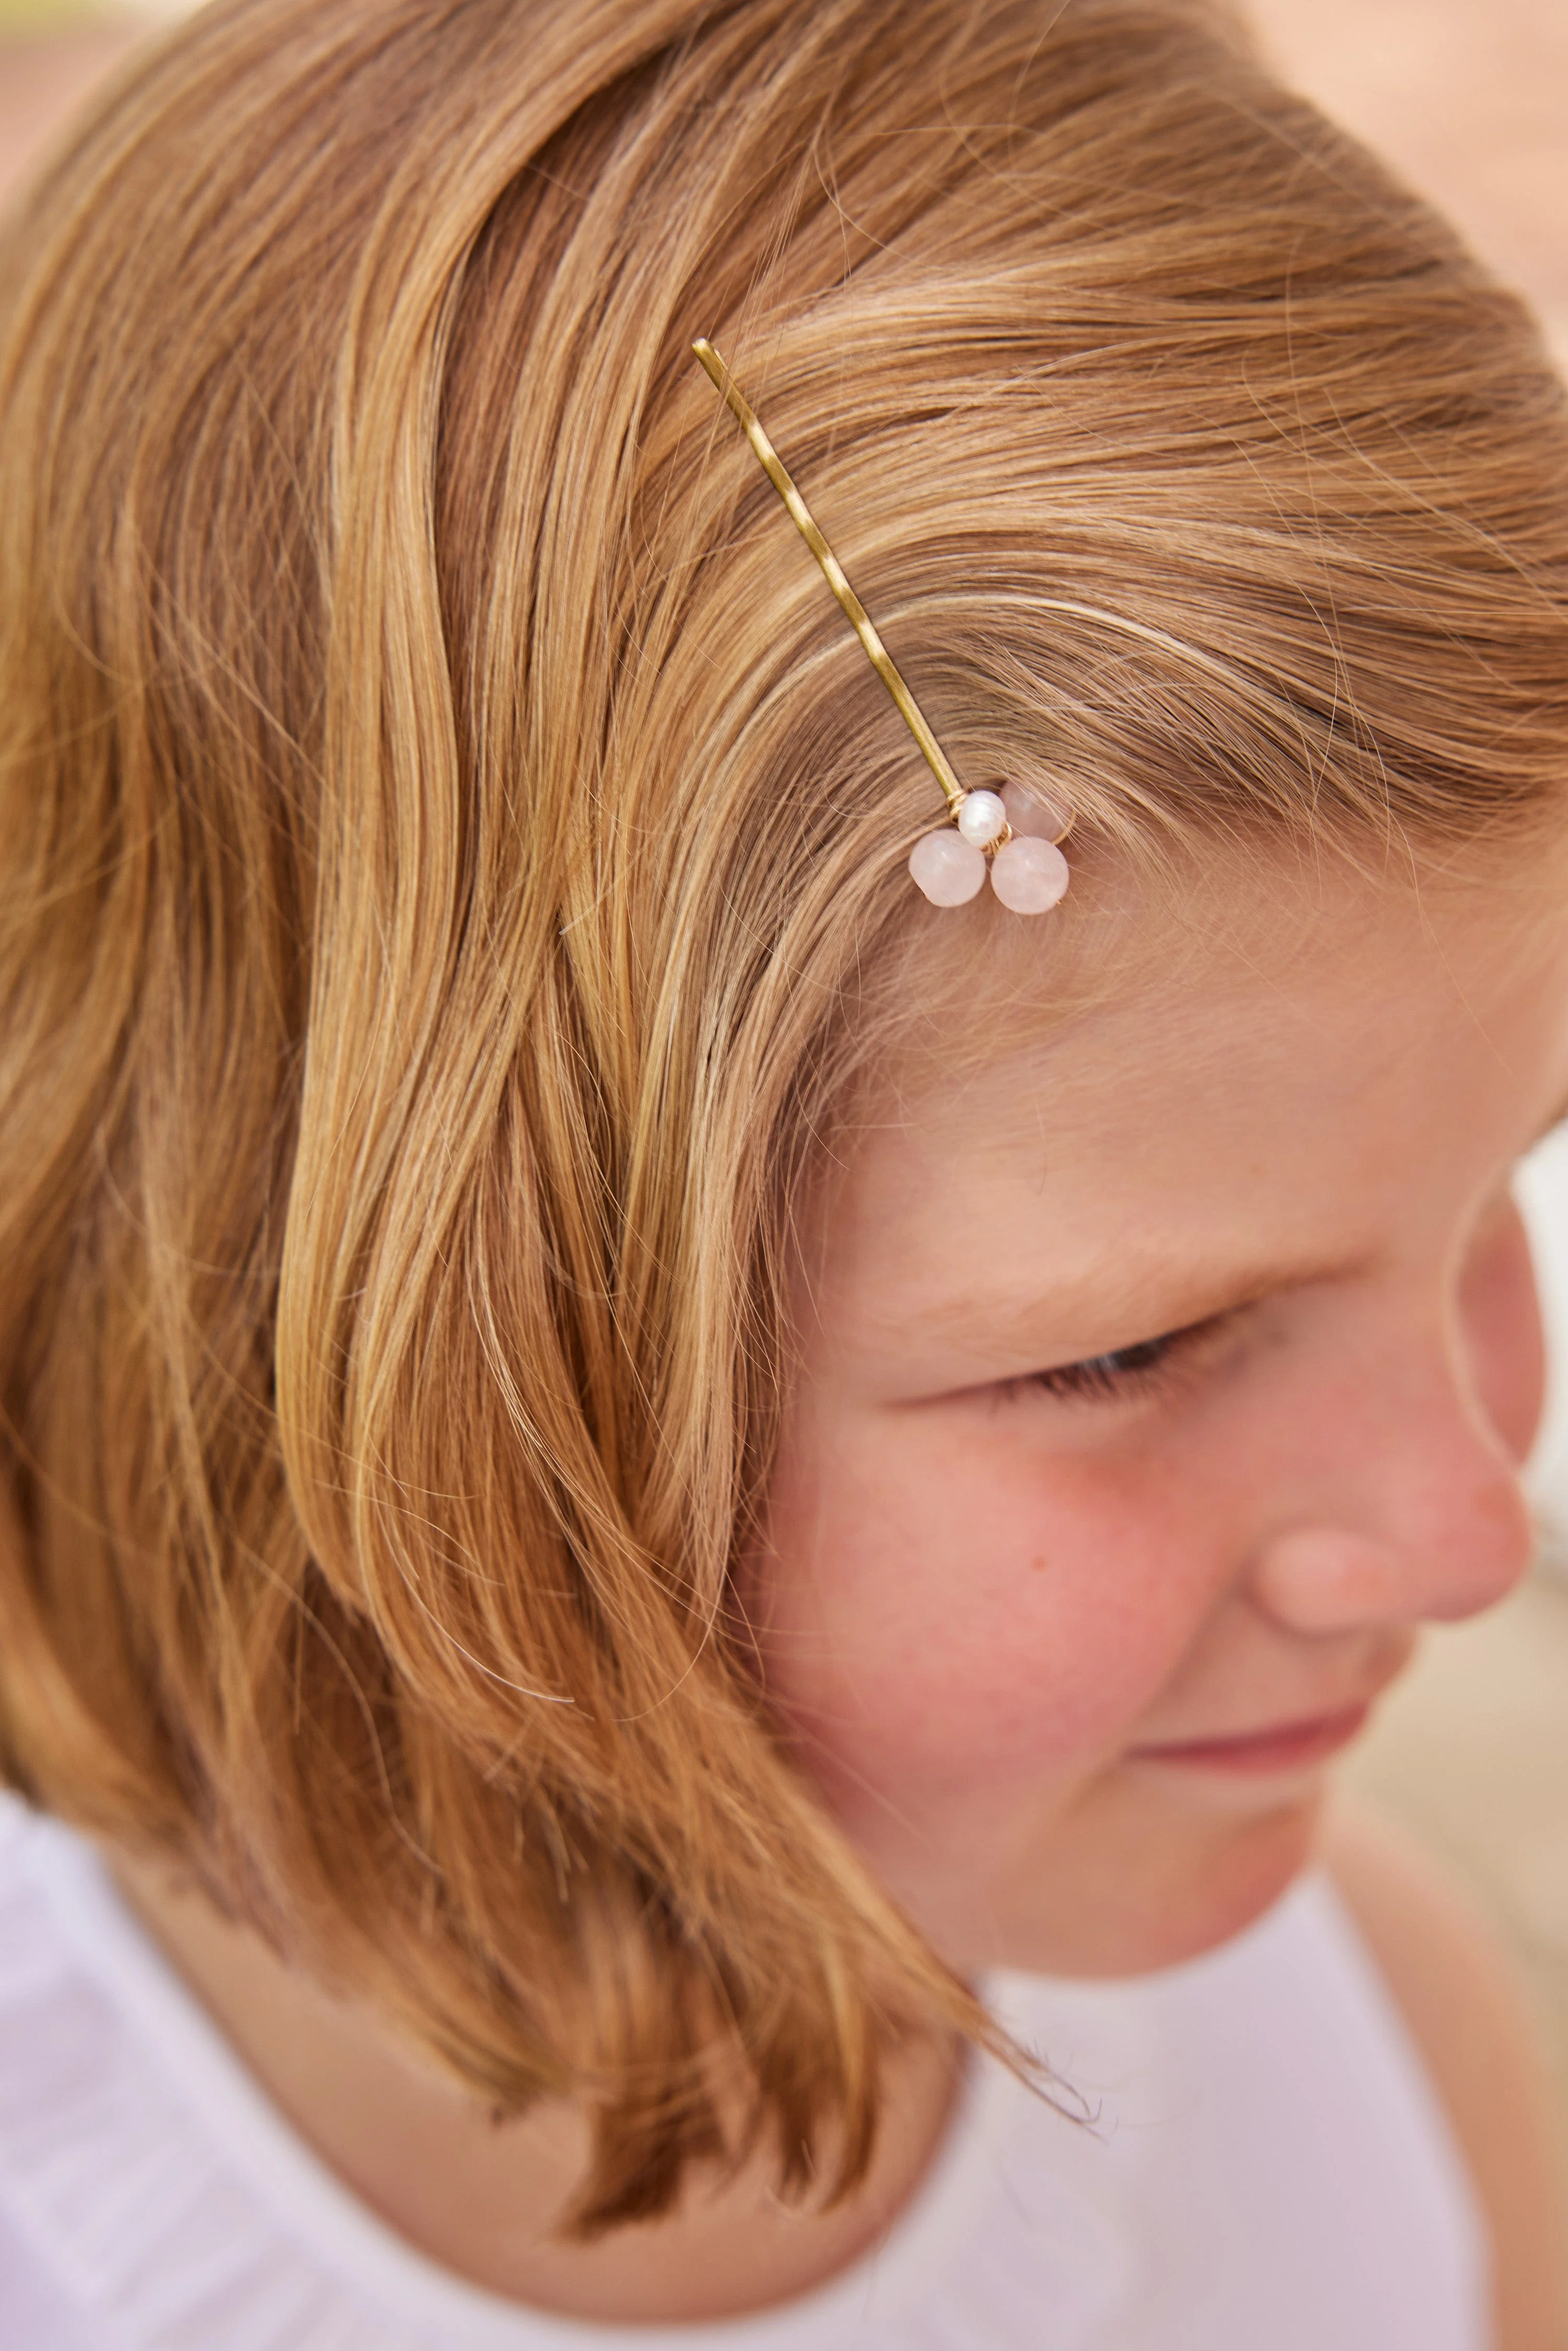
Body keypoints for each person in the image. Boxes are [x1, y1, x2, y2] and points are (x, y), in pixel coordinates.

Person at [1, 0, 1566, 2341]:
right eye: (1131, 1348)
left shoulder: (1371, 2071)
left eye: (1504, 1192)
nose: (1471, 1530)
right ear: (408, 1342)